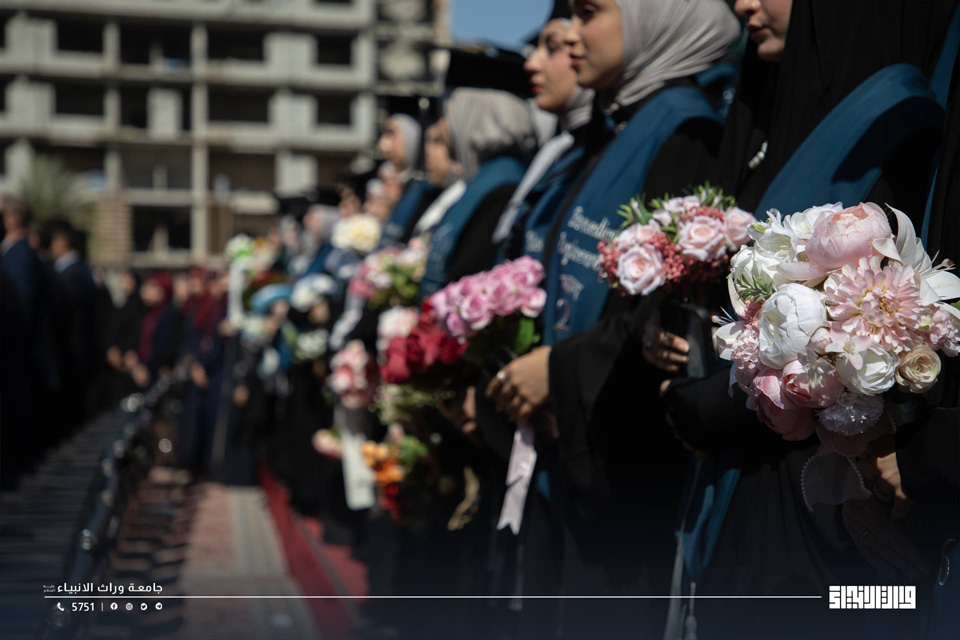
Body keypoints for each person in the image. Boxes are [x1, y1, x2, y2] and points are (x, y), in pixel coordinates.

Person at [653, 0, 958, 637]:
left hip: (830, 507)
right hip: (766, 484)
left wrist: (701, 404)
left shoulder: (903, 128)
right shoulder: (777, 116)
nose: (743, 3)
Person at [484, 0, 740, 635]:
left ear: (655, 15)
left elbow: (664, 311)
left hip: (627, 462)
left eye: (590, 12)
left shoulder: (687, 132)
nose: (572, 35)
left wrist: (556, 369)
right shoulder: (626, 125)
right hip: (572, 436)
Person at [418, 87, 539, 297]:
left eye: (450, 115)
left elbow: (471, 274)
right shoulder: (487, 179)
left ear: (475, 118)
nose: (444, 128)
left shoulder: (503, 189)